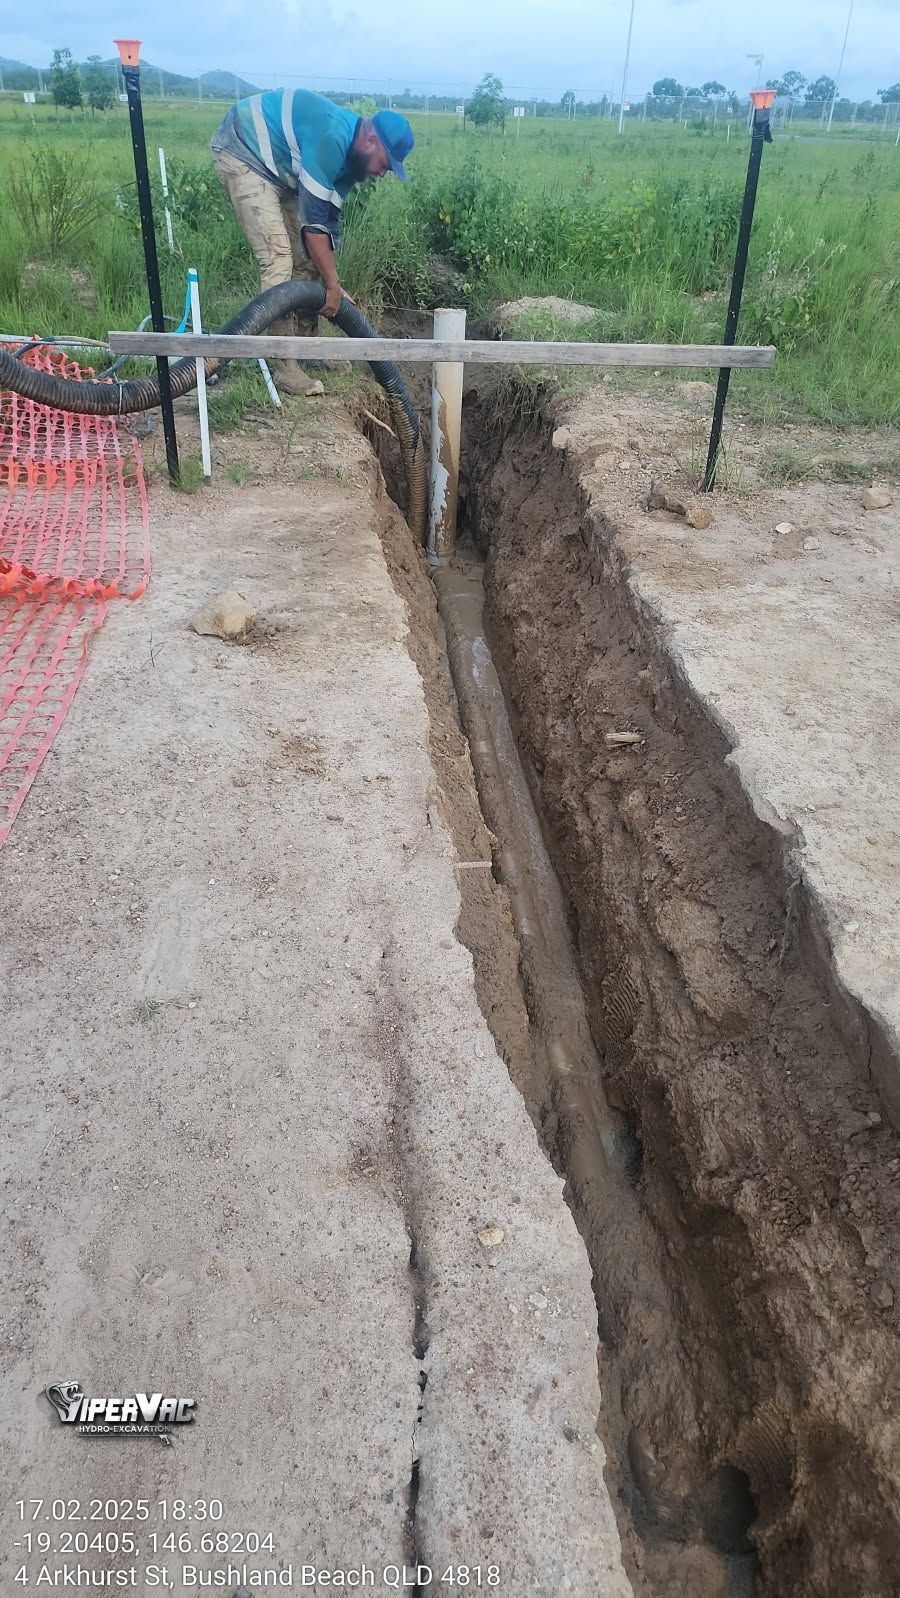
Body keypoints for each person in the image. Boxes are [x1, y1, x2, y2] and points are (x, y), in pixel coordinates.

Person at [211, 90, 414, 395]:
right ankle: (284, 367)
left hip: (278, 172)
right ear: (371, 141)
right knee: (278, 257)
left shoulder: (351, 166)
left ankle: (308, 347)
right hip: (243, 150)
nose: (382, 174)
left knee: (308, 260)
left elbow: (326, 227)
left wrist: (332, 278)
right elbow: (314, 226)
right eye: (384, 164)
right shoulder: (332, 137)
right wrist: (332, 286)